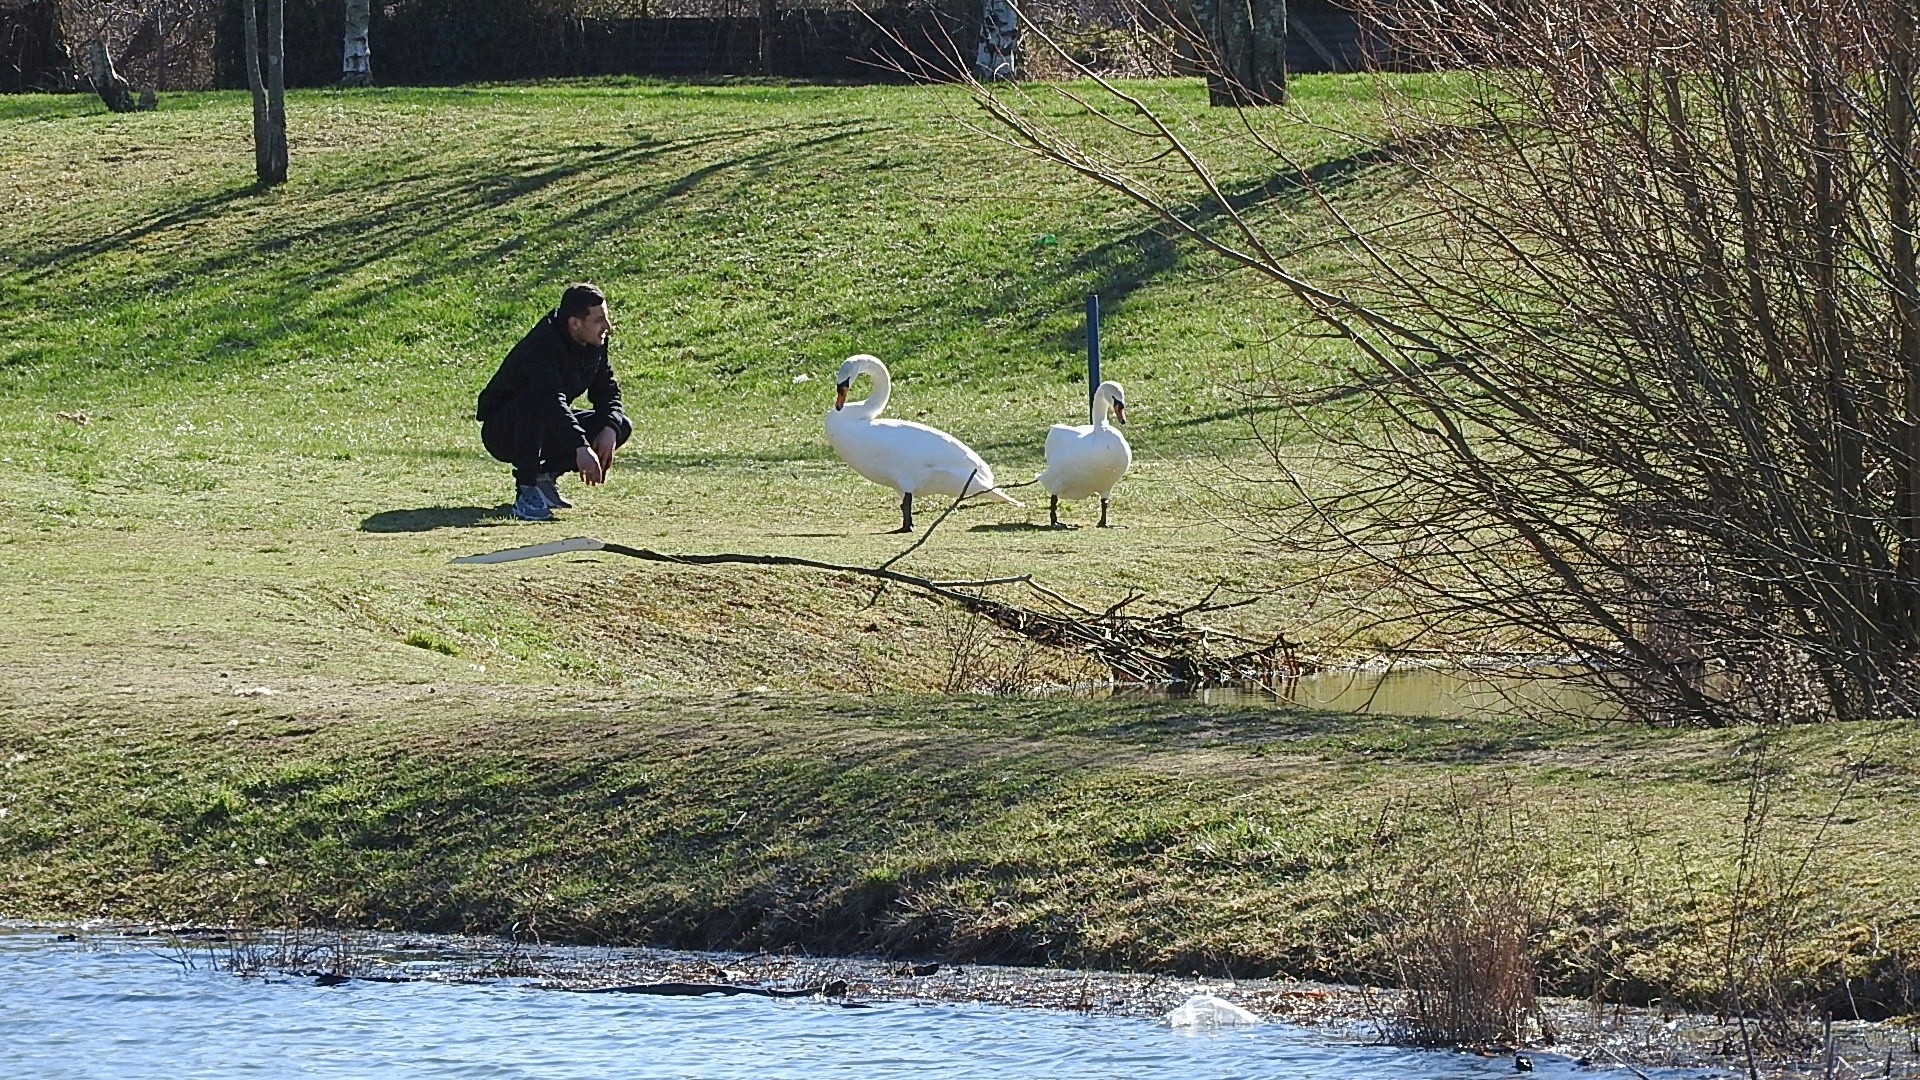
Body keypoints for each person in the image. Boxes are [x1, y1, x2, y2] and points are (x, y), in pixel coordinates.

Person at [477, 283, 632, 521]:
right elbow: (549, 400)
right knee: (534, 402)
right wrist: (580, 445)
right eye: (599, 320)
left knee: (620, 423)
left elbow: (608, 390)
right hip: (505, 431)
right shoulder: (542, 346)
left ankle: (545, 477)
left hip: (547, 423)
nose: (607, 328)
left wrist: (610, 429)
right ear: (574, 323)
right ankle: (526, 491)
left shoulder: (595, 343)